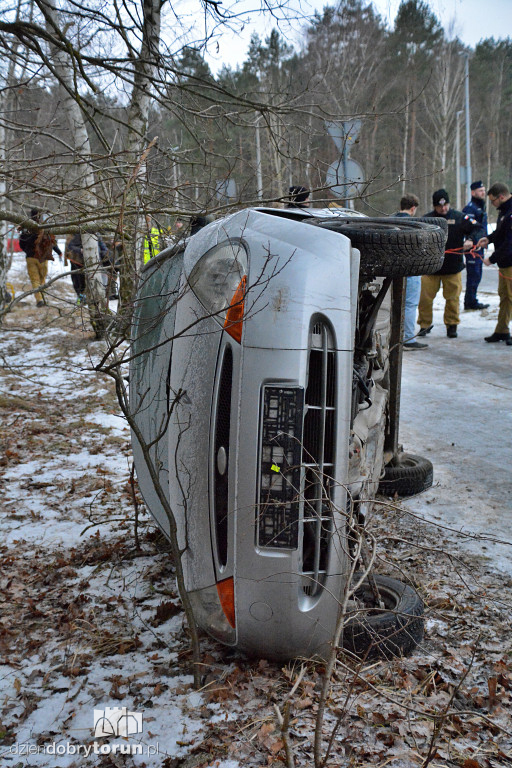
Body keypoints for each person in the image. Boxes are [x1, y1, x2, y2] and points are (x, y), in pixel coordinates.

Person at [417, 189, 480, 339]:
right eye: (440, 207)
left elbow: (478, 228)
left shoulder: (459, 217)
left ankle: (452, 325)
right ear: (434, 206)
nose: (443, 209)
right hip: (431, 268)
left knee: (453, 299)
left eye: (446, 205)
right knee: (425, 299)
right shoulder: (427, 220)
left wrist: (471, 239)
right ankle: (424, 325)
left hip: (453, 268)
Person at [475, 183, 512, 345]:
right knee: (505, 297)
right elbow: (501, 232)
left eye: (493, 201)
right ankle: (502, 330)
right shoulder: (505, 211)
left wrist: (492, 258)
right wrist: (489, 238)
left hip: (510, 263)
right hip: (505, 264)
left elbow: (510, 243)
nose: (492, 204)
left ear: (501, 197)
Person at [394, 193, 426, 350]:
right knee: (410, 304)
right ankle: (407, 338)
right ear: (413, 208)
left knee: (392, 304)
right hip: (411, 269)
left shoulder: (389, 221)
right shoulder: (415, 224)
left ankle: (392, 336)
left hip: (391, 269)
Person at [18, 208, 62, 307]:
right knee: (42, 279)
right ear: (40, 215)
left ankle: (39, 300)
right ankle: (43, 297)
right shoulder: (44, 226)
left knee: (35, 280)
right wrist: (58, 252)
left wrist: (28, 251)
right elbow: (52, 242)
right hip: (43, 258)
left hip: (30, 258)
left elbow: (21, 243)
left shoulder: (25, 228)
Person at [462, 181, 489, 310]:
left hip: (480, 247)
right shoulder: (470, 209)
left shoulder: (480, 207)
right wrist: (471, 241)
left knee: (477, 275)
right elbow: (468, 228)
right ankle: (469, 302)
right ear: (473, 192)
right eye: (480, 191)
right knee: (473, 275)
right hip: (472, 248)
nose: (483, 193)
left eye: (484, 190)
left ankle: (472, 299)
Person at [66, 233, 108, 305]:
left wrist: (104, 253)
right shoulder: (79, 235)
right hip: (78, 263)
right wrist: (81, 250)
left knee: (97, 282)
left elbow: (103, 247)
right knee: (79, 283)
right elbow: (71, 246)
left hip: (95, 263)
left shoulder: (97, 234)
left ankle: (96, 299)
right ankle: (80, 299)